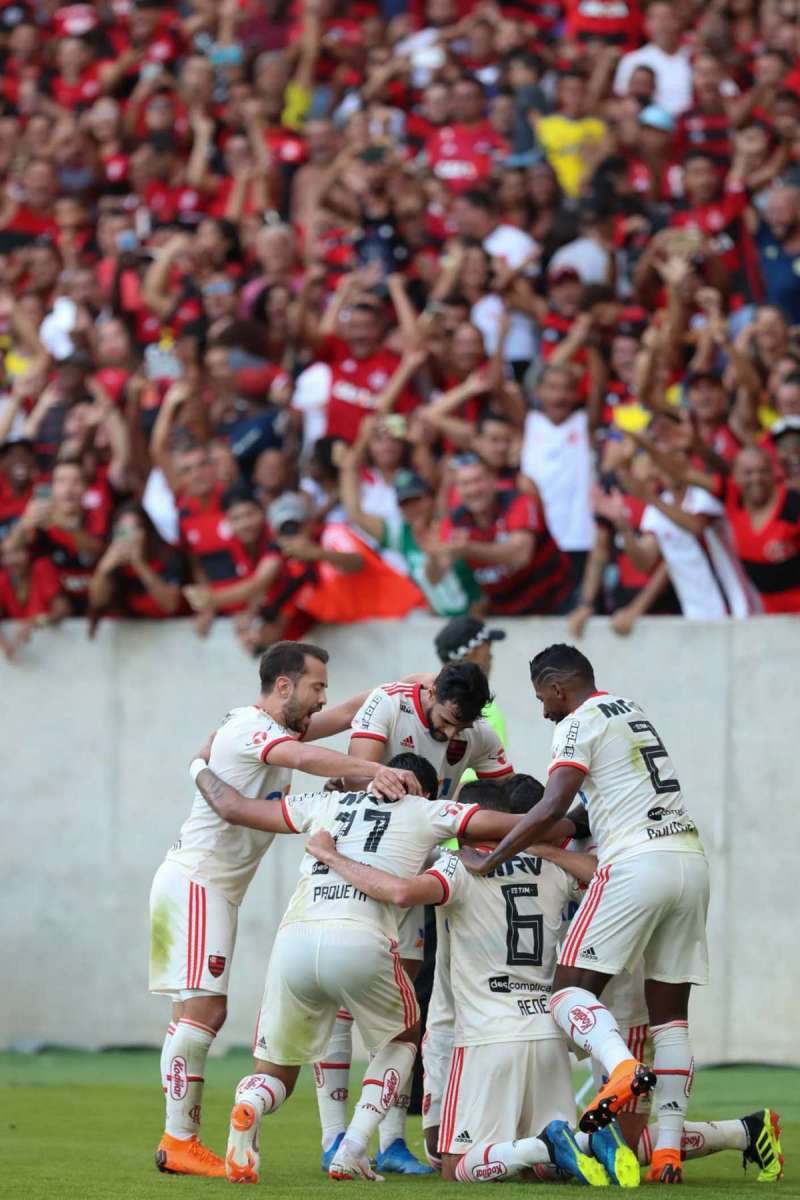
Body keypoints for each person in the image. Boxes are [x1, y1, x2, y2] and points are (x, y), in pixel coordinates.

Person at [190, 750, 539, 1184]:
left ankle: (252, 1105)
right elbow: (515, 823)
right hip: (360, 936)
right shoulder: (429, 810)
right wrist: (572, 819)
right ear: (424, 789)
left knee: (275, 1069)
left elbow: (233, 807)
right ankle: (353, 1147)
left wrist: (199, 764)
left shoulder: (327, 803)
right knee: (404, 1036)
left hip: (294, 938)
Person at [148, 641, 424, 1177]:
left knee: (191, 1014)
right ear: (283, 686)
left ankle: (178, 1139)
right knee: (204, 1013)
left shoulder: (267, 727)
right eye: (316, 686)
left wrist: (399, 687)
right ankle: (178, 1140)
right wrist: (372, 771)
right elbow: (302, 757)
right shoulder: (254, 727)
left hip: (203, 885)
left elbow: (348, 715)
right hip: (199, 883)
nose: (324, 698)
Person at [460, 643, 710, 1184]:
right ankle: (666, 1150)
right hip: (690, 863)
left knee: (568, 992)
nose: (543, 709)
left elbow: (552, 805)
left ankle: (621, 1067)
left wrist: (493, 857)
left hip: (634, 865)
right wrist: (547, 834)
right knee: (670, 1016)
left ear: (557, 686)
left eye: (541, 698)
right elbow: (577, 814)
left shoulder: (577, 721)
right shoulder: (630, 710)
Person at [307, 776, 636, 1187]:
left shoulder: (456, 866)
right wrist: (531, 843)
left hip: (487, 1038)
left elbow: (401, 892)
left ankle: (545, 1145)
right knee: (539, 1177)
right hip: (547, 1036)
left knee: (455, 1166)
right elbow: (601, 874)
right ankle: (587, 1143)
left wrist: (331, 856)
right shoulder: (552, 865)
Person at [313, 660, 513, 1175]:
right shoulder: (388, 701)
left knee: (401, 1008)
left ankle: (391, 1141)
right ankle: (334, 1137)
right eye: (443, 720)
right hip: (359, 866)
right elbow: (360, 780)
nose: (449, 734)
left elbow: (504, 799)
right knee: (343, 1002)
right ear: (429, 690)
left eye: (458, 727)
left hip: (417, 872)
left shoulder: (480, 736)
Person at [439, 455, 573, 615]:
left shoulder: (518, 501)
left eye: (478, 480)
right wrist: (433, 555)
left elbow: (521, 554)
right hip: (506, 613)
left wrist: (468, 548)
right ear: (457, 489)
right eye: (465, 484)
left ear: (493, 480)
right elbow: (438, 574)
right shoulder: (454, 521)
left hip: (557, 605)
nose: (473, 489)